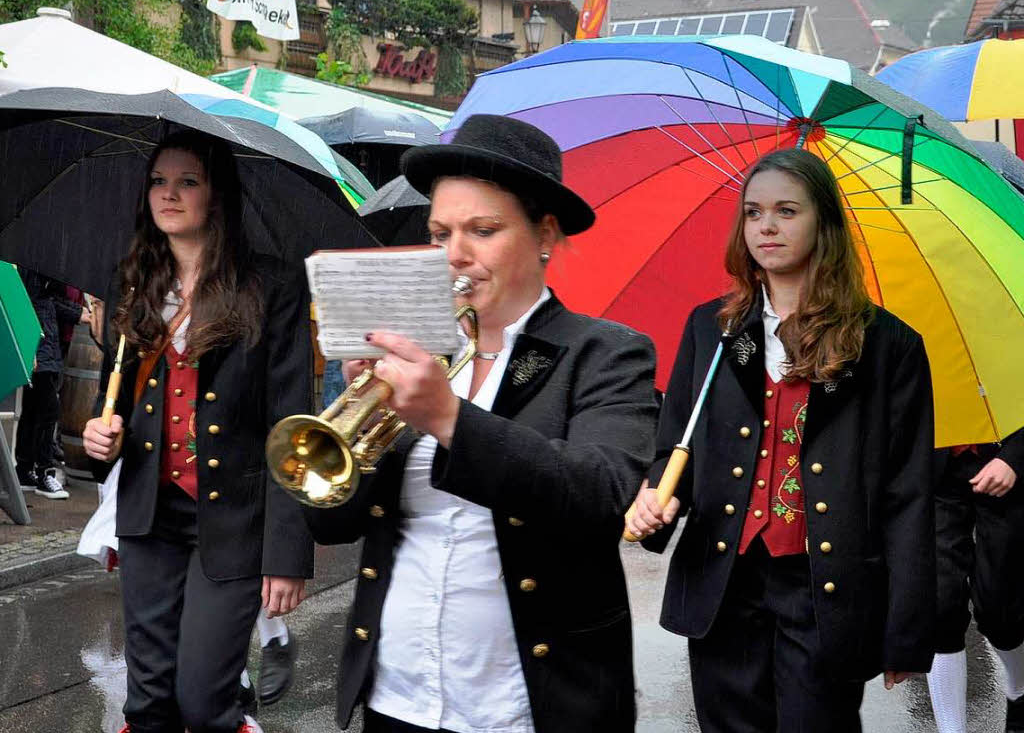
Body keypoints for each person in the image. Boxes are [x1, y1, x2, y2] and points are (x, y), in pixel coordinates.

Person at [302, 114, 659, 733]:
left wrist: (449, 418)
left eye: (483, 230)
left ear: (544, 233)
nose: (454, 255)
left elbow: (602, 495)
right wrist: (356, 424)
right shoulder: (416, 356)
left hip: (526, 703)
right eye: (440, 233)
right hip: (400, 692)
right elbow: (331, 523)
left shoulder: (604, 352)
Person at [628, 148, 937, 732]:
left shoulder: (889, 346)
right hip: (724, 584)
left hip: (827, 590)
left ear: (823, 222)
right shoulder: (711, 328)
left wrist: (905, 631)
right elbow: (676, 448)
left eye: (786, 211)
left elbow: (908, 495)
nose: (766, 227)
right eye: (753, 213)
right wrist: (655, 500)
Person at [81, 130, 314, 733]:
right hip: (148, 516)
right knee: (148, 699)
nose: (169, 194)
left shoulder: (272, 286)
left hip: (235, 518)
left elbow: (292, 423)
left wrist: (286, 555)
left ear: (218, 195)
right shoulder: (133, 281)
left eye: (188, 181)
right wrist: (101, 438)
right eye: (159, 181)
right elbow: (120, 401)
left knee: (205, 699)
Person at [926, 426, 1024, 733]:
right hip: (935, 472)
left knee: (1000, 611)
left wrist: (1015, 458)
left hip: (1005, 466)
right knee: (938, 604)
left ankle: (1019, 690)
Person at [15, 267, 90, 499]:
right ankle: (43, 472)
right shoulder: (30, 263)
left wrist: (78, 312)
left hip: (45, 338)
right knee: (48, 410)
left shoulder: (38, 263)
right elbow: (25, 301)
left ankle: (24, 471)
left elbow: (49, 301)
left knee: (33, 409)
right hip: (38, 342)